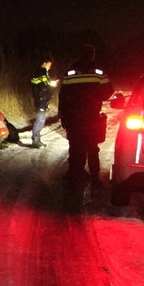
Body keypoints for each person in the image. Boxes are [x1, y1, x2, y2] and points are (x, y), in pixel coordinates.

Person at [57, 44, 114, 183]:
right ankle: (95, 176)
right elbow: (108, 91)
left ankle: (74, 173)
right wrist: (95, 96)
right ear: (92, 55)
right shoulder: (99, 73)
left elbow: (63, 96)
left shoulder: (70, 73)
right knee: (92, 147)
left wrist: (63, 115)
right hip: (92, 116)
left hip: (74, 116)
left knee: (75, 146)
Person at [29, 57, 58, 147]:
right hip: (40, 99)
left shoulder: (45, 73)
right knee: (40, 119)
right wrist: (43, 79)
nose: (50, 67)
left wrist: (52, 83)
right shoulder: (40, 72)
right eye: (49, 64)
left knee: (42, 119)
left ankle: (38, 139)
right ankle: (35, 140)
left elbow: (45, 84)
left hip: (44, 99)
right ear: (45, 63)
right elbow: (34, 81)